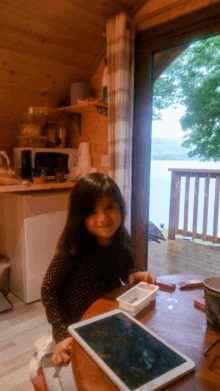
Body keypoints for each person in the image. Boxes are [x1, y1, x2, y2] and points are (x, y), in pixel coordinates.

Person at [41, 172, 155, 367]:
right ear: (80, 217)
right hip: (76, 325)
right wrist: (60, 333)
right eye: (91, 212)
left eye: (109, 207)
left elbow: (124, 267)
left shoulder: (122, 236)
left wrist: (134, 272)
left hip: (111, 317)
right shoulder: (73, 246)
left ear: (120, 206)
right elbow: (49, 288)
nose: (102, 218)